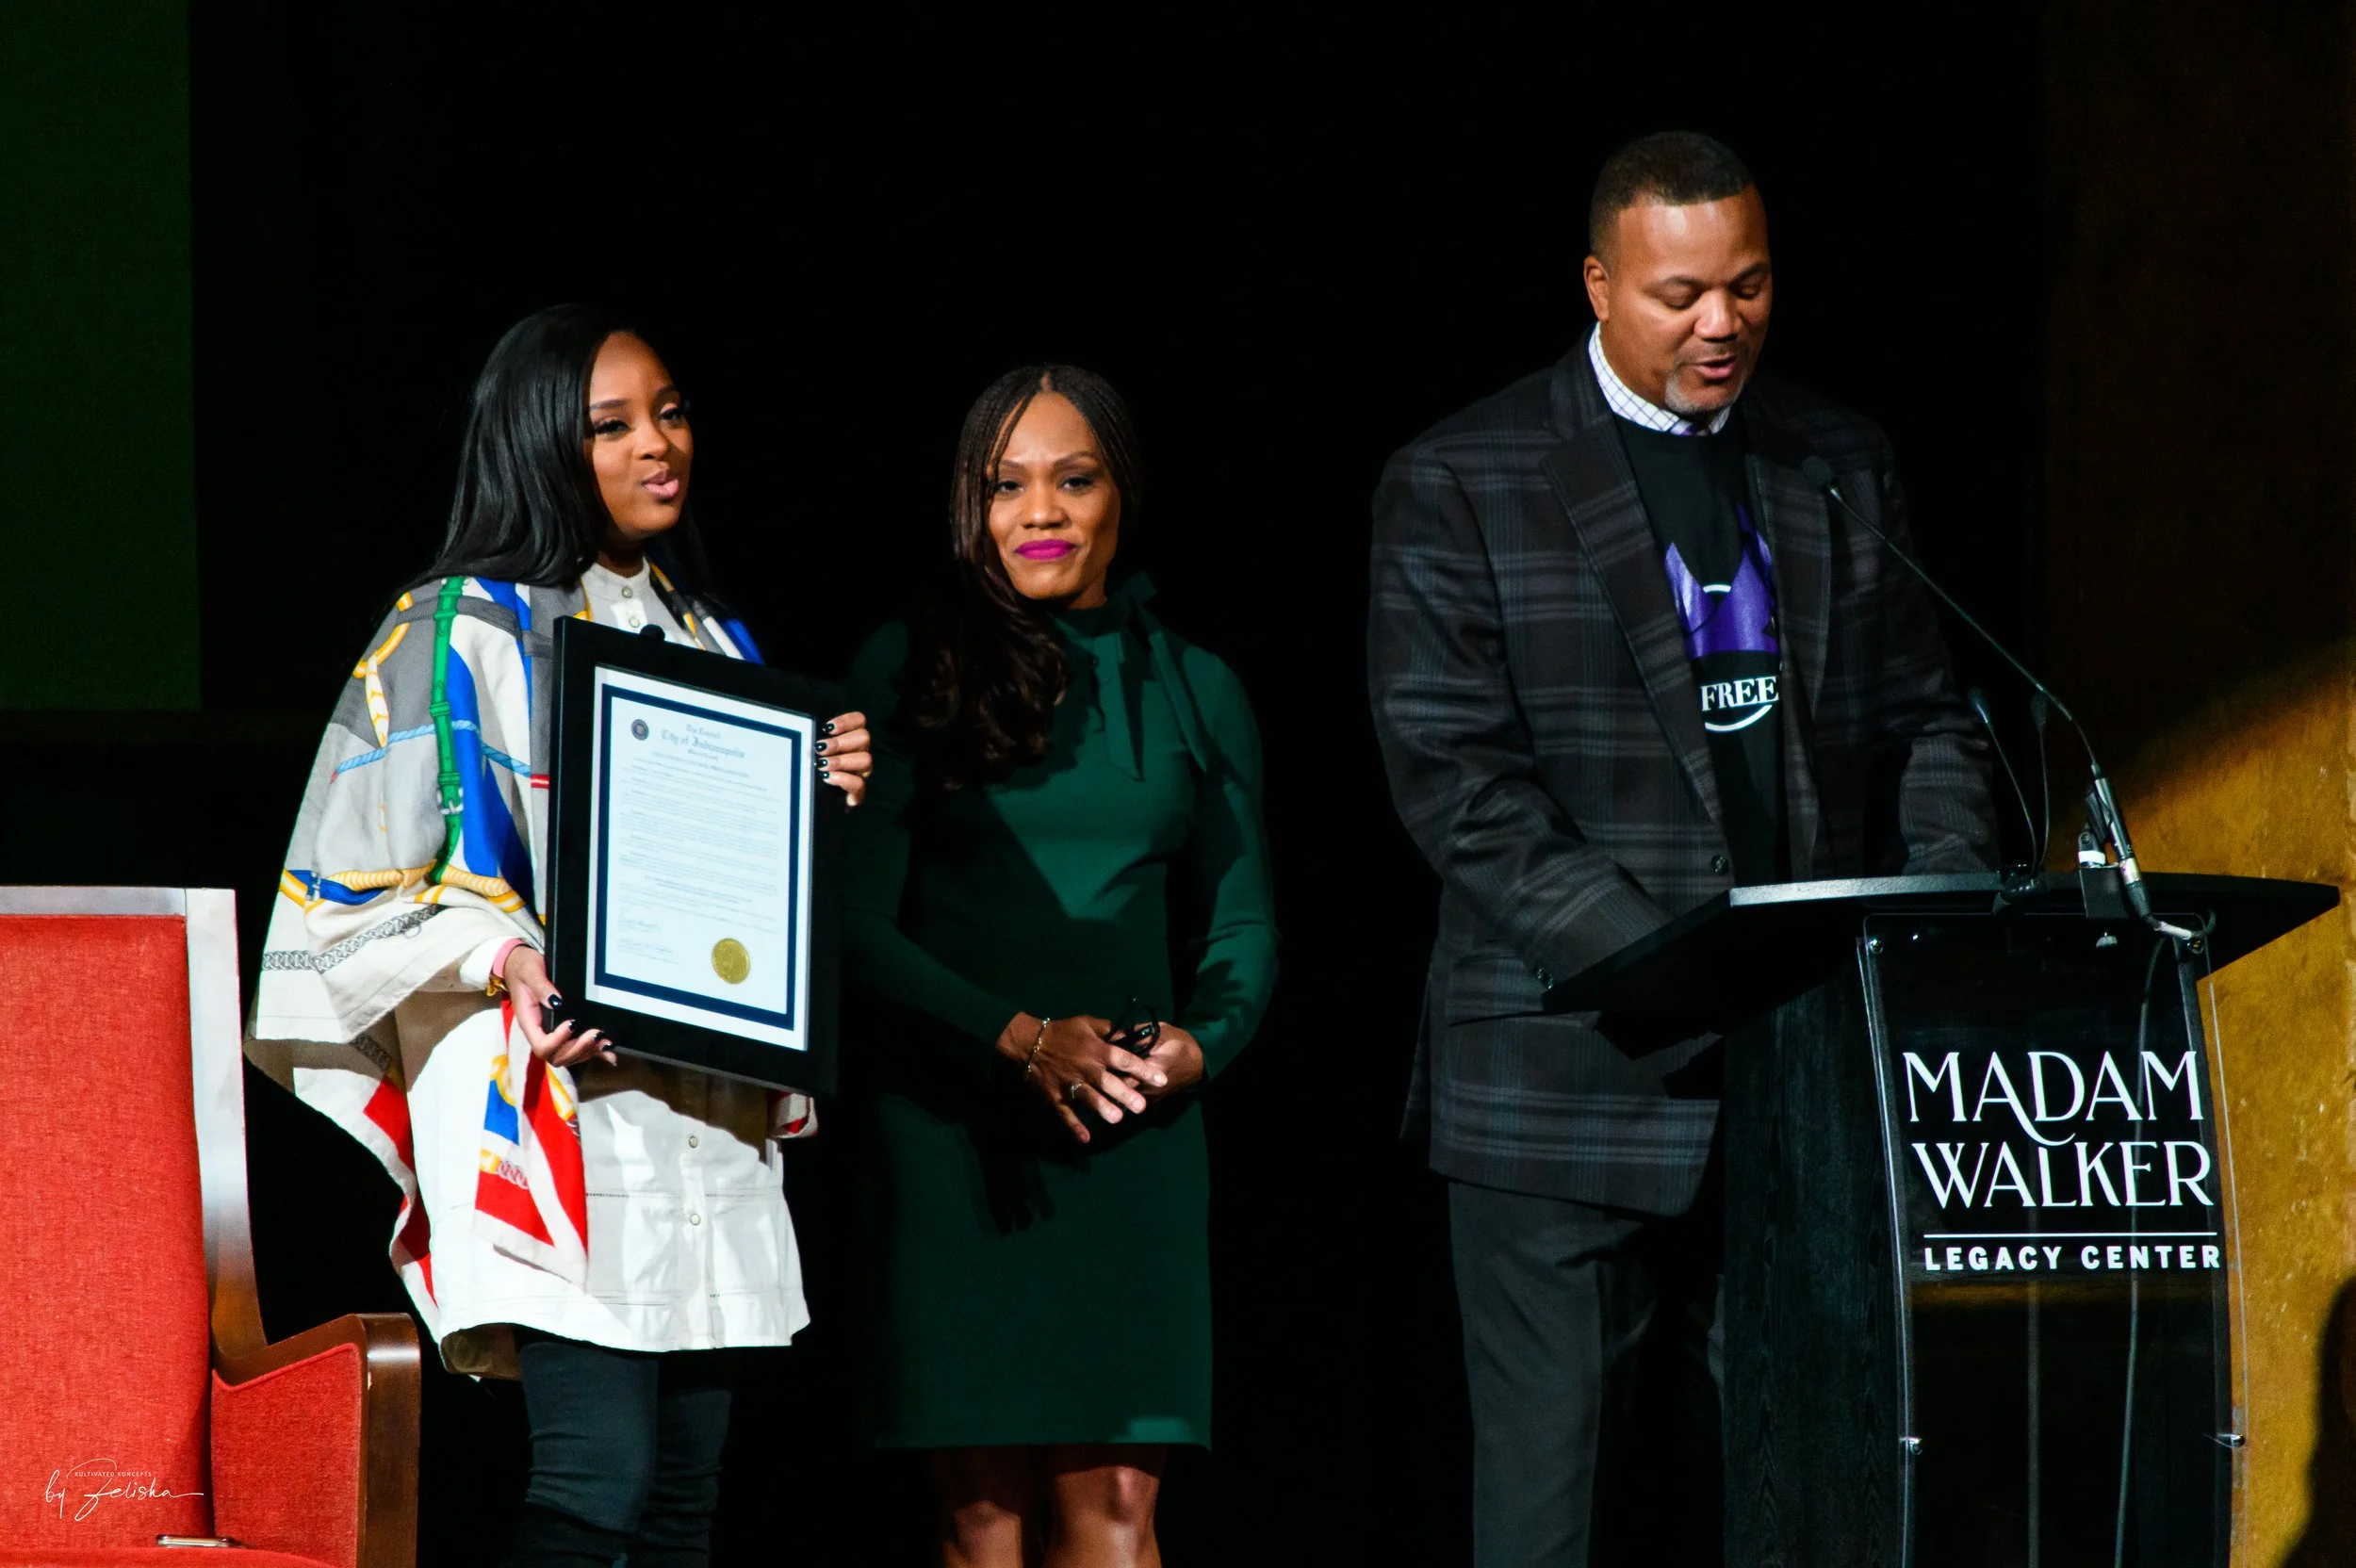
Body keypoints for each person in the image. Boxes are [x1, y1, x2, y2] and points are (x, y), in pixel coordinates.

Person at [1366, 132, 1997, 1565]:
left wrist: (1927, 904)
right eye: (1681, 295)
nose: (1724, 325)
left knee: (1802, 1492)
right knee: (1551, 1520)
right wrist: (1674, 960)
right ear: (1599, 284)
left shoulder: (1837, 460)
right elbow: (1460, 786)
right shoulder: (1464, 479)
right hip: (1565, 1078)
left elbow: (1929, 721)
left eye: (1752, 287)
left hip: (1802, 1080)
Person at [245, 303, 872, 1568]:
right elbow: (353, 877)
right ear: (541, 443)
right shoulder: (455, 628)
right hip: (553, 1097)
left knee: (687, 1486)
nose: (659, 444)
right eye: (613, 425)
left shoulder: (711, 637)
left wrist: (812, 793)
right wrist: (506, 955)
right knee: (600, 1469)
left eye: (673, 411)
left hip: (699, 1098)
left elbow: (723, 882)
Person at [843, 365, 1278, 1568]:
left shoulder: (1196, 687)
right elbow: (852, 923)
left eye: (1072, 479)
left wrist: (1198, 1044)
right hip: (952, 1126)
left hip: (1129, 1139)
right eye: (1005, 485)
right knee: (983, 1520)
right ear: (967, 508)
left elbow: (1242, 927)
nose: (1039, 510)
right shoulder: (901, 668)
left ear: (1118, 494)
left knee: (1119, 1511)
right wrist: (1019, 1036)